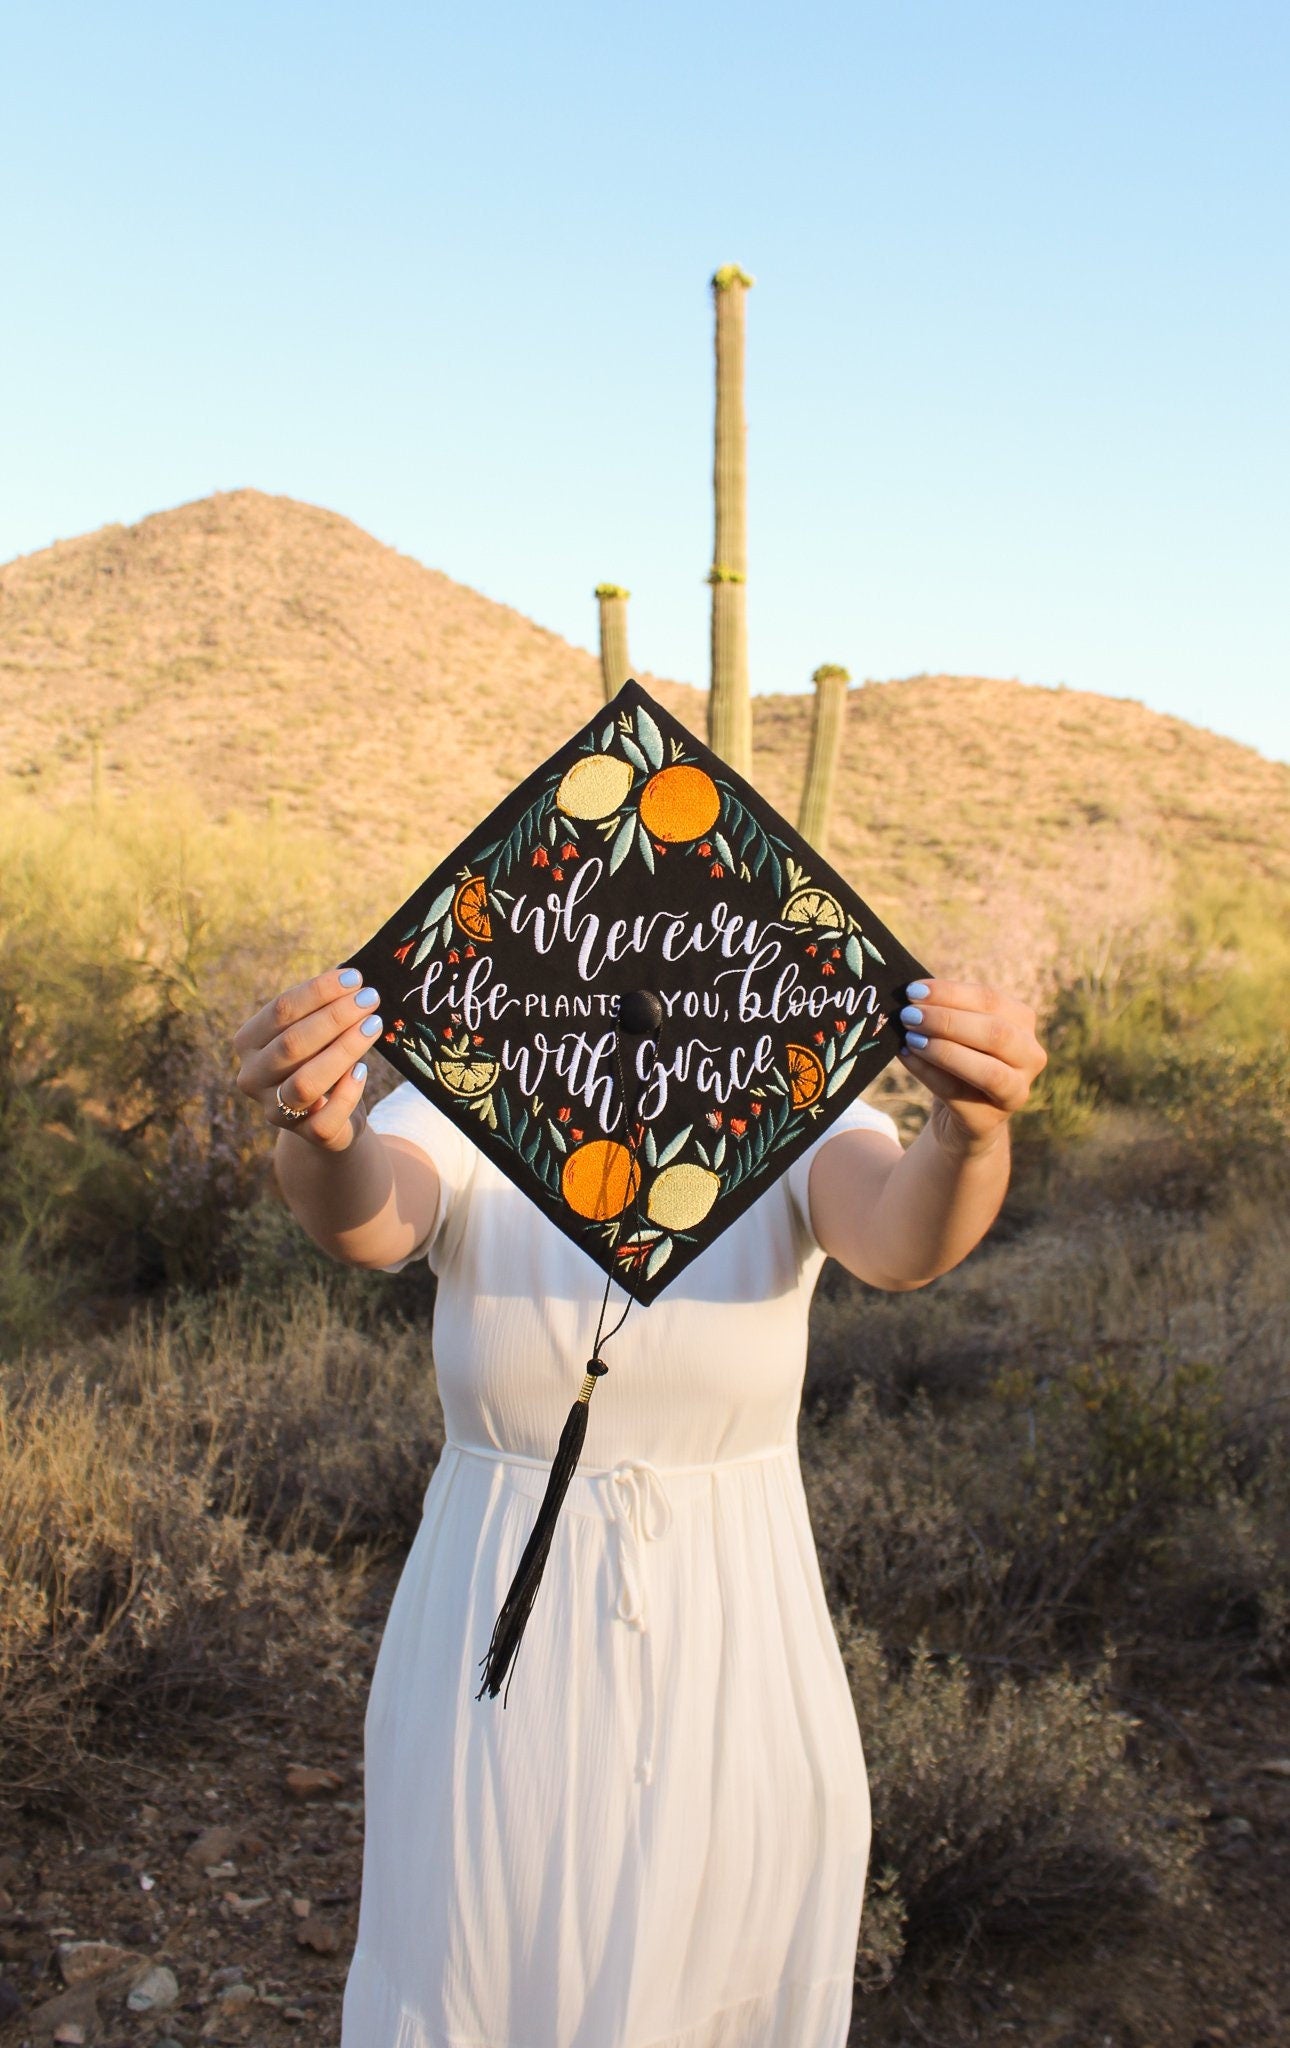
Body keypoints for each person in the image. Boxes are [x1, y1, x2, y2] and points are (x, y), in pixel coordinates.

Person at [233, 964, 1046, 2048]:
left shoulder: (786, 1094)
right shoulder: (484, 1082)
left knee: (722, 1969)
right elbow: (373, 1219)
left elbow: (900, 1239)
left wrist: (968, 1134)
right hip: (500, 1617)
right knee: (482, 1961)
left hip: (734, 1620)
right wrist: (323, 1127)